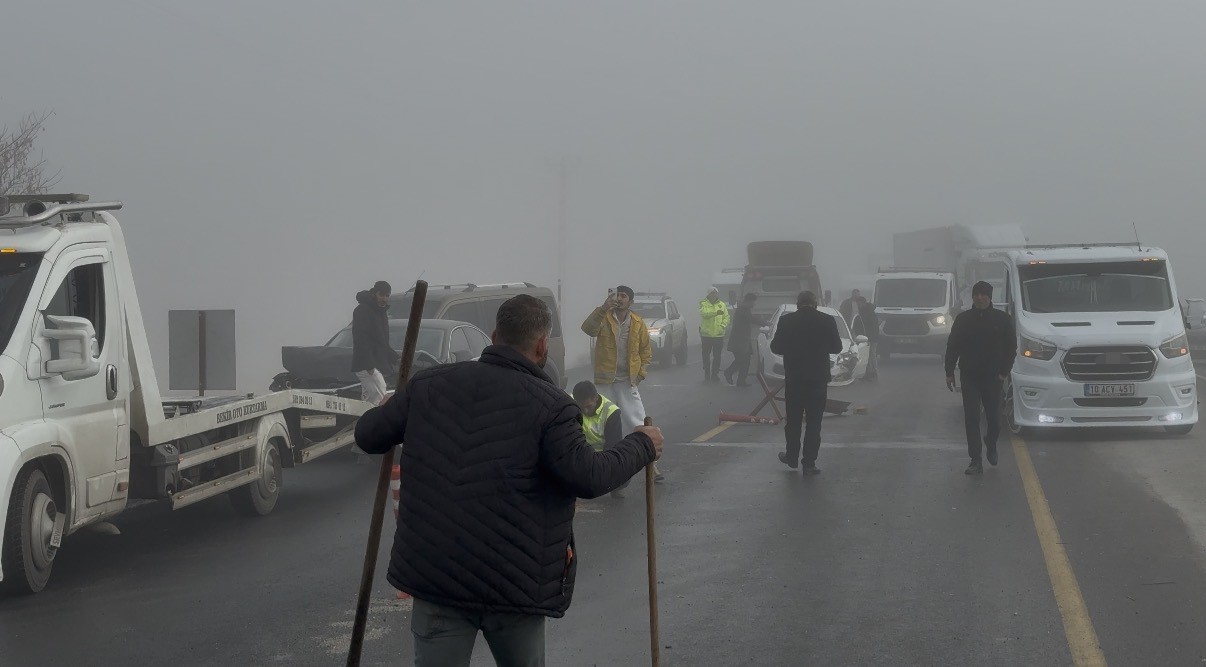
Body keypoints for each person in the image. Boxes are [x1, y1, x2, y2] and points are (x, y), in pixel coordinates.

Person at [355, 295, 663, 666]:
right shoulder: (552, 406)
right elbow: (589, 476)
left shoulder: (427, 386)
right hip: (515, 586)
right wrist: (641, 445)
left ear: (493, 335)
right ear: (542, 344)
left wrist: (394, 404)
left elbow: (368, 435)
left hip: (437, 580)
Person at [581, 285, 664, 482]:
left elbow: (646, 351)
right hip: (605, 382)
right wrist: (603, 307)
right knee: (599, 424)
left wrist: (640, 374)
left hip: (627, 381)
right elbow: (587, 329)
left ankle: (652, 465)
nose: (618, 298)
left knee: (638, 422)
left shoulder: (637, 323)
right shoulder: (604, 317)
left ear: (631, 302)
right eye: (617, 295)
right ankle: (597, 466)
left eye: (623, 296)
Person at [945, 281, 1016, 475]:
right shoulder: (963, 320)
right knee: (972, 417)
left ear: (990, 297)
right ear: (972, 297)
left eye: (983, 294)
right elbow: (953, 346)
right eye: (976, 294)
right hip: (970, 376)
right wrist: (949, 372)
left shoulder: (1002, 319)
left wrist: (1004, 371)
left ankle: (991, 442)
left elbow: (1011, 348)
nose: (979, 297)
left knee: (994, 419)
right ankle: (975, 460)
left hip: (994, 377)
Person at [772, 291, 843, 474]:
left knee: (793, 421)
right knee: (814, 423)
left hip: (795, 379)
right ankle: (809, 463)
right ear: (816, 303)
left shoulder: (787, 321)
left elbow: (776, 347)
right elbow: (837, 347)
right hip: (818, 379)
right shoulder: (827, 320)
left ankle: (791, 457)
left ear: (798, 304)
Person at [572, 380, 629, 498]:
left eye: (588, 406)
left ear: (595, 398)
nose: (585, 411)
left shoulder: (611, 412)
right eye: (582, 408)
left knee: (624, 464)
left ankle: (612, 486)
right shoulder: (570, 404)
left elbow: (613, 445)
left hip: (602, 457)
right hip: (580, 454)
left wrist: (601, 469)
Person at [351, 280, 399, 405]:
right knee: (382, 399)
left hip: (375, 364)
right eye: (381, 295)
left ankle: (361, 422)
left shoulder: (381, 312)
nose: (384, 299)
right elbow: (360, 339)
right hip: (366, 365)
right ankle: (379, 423)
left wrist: (395, 358)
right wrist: (369, 365)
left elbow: (381, 342)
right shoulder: (363, 310)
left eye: (387, 295)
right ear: (374, 293)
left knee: (369, 402)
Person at [724, 293, 759, 387]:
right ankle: (729, 372)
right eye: (753, 302)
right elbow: (751, 319)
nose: (754, 304)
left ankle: (741, 381)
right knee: (742, 360)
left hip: (742, 341)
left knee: (745, 361)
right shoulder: (743, 309)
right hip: (739, 341)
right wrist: (765, 322)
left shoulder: (744, 309)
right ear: (750, 301)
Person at [699, 287, 731, 382]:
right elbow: (704, 314)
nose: (714, 295)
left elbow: (727, 317)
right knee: (706, 355)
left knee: (717, 356)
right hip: (706, 335)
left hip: (718, 335)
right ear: (708, 294)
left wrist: (722, 325)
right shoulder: (703, 303)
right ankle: (707, 373)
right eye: (712, 293)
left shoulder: (722, 305)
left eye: (715, 293)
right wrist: (716, 313)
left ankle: (714, 374)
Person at [852, 295, 880, 380]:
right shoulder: (863, 311)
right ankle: (868, 373)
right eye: (857, 303)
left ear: (863, 303)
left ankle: (873, 373)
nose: (858, 305)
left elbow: (872, 327)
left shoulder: (869, 312)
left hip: (871, 338)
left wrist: (869, 338)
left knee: (871, 356)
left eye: (860, 303)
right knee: (866, 356)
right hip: (865, 338)